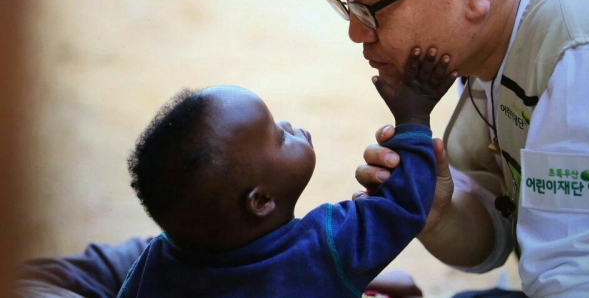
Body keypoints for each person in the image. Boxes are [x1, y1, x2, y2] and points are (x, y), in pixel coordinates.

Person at [321, 0, 589, 296]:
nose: (357, 32)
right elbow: (494, 234)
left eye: (369, 5)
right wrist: (437, 214)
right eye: (347, 5)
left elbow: (576, 280)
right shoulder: (487, 42)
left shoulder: (578, 53)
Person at [114, 48, 455, 297]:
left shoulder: (157, 263)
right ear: (261, 201)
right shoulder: (323, 250)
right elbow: (400, 208)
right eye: (278, 137)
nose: (288, 124)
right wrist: (413, 118)